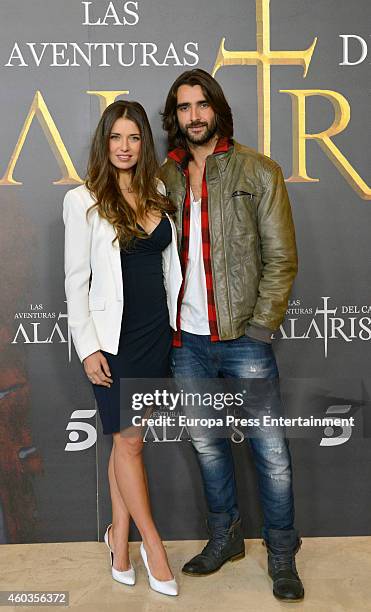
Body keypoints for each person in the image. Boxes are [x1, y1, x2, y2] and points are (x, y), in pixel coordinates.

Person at [160, 69, 303, 601]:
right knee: (208, 446)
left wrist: (262, 328)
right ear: (174, 117)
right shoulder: (165, 177)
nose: (193, 115)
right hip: (187, 341)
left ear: (216, 109)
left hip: (244, 336)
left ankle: (283, 554)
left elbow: (281, 258)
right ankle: (226, 540)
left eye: (201, 105)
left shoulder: (258, 170)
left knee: (271, 451)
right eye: (183, 107)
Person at [63, 100, 181, 597]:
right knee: (130, 442)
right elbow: (75, 280)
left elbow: (171, 265)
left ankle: (118, 544)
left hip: (157, 334)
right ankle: (153, 546)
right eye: (116, 138)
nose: (125, 147)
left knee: (124, 443)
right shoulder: (83, 199)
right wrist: (88, 347)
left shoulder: (158, 190)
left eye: (133, 138)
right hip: (113, 342)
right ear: (104, 142)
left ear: (143, 143)